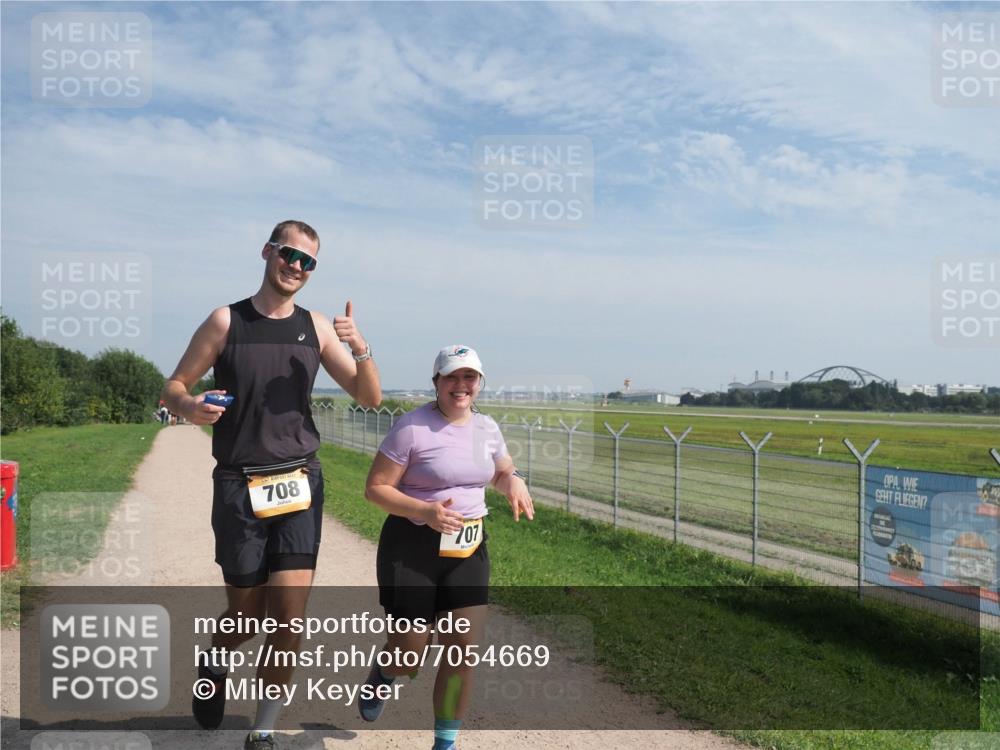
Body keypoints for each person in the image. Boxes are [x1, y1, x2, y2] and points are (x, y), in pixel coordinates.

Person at [161, 220, 381, 750]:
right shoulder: (225, 321)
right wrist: (190, 405)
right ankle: (215, 660)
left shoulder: (319, 327)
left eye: (308, 262)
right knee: (246, 612)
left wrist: (362, 350)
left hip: (300, 480)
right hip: (239, 482)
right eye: (289, 255)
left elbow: (369, 398)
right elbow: (173, 387)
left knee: (287, 615)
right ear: (267, 252)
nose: (297, 267)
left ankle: (263, 728)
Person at [360, 345, 534, 750]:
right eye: (452, 377)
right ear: (436, 382)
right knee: (409, 655)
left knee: (462, 652)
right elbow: (375, 489)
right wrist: (426, 511)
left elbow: (502, 470)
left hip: (467, 548)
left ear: (479, 383)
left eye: (469, 377)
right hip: (412, 546)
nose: (461, 385)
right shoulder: (412, 427)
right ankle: (385, 673)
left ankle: (445, 743)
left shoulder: (487, 428)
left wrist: (515, 481)